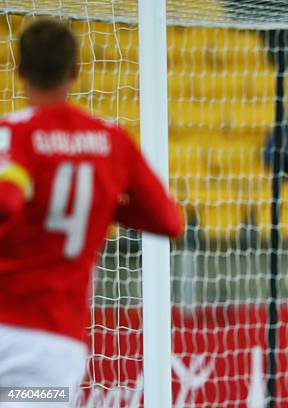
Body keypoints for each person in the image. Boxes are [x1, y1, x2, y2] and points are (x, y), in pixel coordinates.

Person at [0, 18, 182, 405]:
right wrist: (104, 204)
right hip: (48, 350)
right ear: (76, 71)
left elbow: (7, 201)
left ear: (18, 70)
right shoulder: (110, 140)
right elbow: (169, 220)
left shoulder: (13, 133)